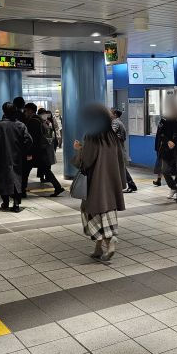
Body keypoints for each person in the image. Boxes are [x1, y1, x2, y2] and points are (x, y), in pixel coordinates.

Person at [73, 103, 126, 262]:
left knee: (92, 213)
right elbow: (120, 159)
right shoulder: (112, 136)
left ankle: (110, 242)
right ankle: (98, 248)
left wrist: (79, 149)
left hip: (95, 183)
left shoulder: (91, 135)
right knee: (108, 212)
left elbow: (87, 161)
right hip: (111, 183)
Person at [0, 102, 32, 212]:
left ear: (3, 111)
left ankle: (5, 202)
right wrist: (22, 151)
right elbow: (29, 141)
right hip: (17, 157)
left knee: (2, 179)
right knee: (16, 179)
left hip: (1, 158)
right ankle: (16, 203)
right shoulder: (21, 125)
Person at [22, 103, 64, 196]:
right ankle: (58, 187)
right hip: (40, 150)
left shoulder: (33, 121)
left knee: (25, 170)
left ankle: (22, 191)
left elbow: (33, 138)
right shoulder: (39, 120)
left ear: (30, 111)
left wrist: (30, 152)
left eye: (25, 110)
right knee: (45, 169)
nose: (24, 112)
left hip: (36, 151)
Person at [111, 108, 137, 192]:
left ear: (115, 115)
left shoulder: (115, 122)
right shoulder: (119, 122)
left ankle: (131, 185)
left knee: (121, 168)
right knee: (119, 168)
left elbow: (110, 134)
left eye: (110, 112)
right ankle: (129, 185)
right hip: (118, 148)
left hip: (117, 149)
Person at [152, 117, 165, 187]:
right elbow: (158, 135)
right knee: (160, 163)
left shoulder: (165, 123)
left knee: (162, 163)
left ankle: (159, 180)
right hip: (159, 146)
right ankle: (159, 180)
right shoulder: (162, 122)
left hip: (163, 146)